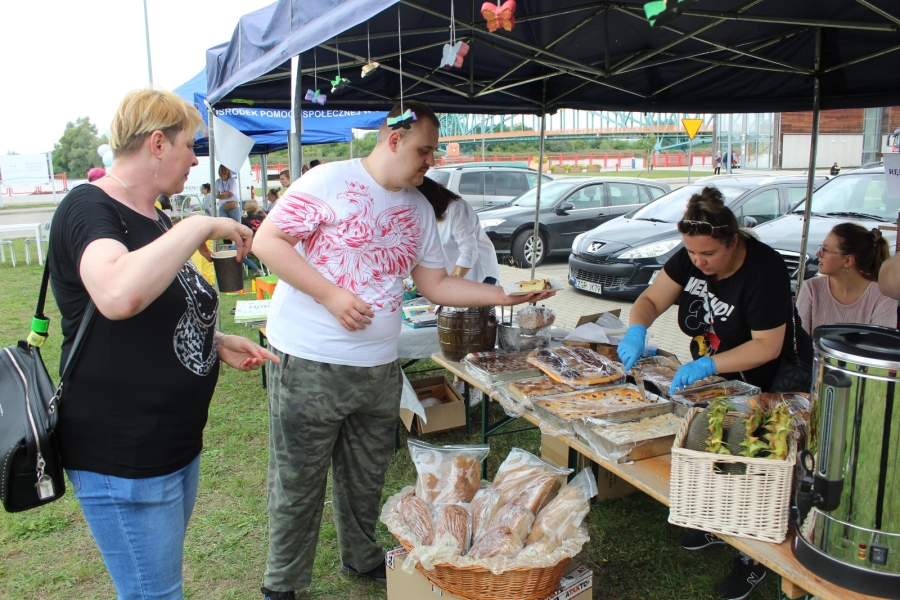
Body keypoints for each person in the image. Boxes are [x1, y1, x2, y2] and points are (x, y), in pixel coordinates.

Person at [252, 100, 553, 599]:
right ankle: (282, 584)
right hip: (310, 362)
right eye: (424, 150)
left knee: (366, 474)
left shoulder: (417, 208)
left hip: (378, 368)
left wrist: (502, 296)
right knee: (297, 480)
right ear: (394, 139)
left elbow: (435, 284)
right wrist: (330, 294)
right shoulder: (327, 180)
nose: (431, 161)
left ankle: (361, 554)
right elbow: (268, 241)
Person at [47, 87, 278, 599]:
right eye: (189, 145)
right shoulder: (88, 207)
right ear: (156, 144)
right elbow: (118, 294)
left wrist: (216, 340)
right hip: (123, 450)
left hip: (170, 443)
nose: (195, 160)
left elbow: (157, 310)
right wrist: (200, 225)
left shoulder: (155, 217)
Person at [616, 186, 801, 600]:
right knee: (715, 449)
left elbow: (767, 345)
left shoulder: (764, 269)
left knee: (754, 465)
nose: (699, 262)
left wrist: (707, 365)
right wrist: (637, 328)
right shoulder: (692, 256)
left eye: (709, 255)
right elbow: (650, 298)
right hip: (719, 378)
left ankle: (753, 558)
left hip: (770, 380)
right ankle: (714, 520)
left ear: (733, 240)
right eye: (692, 253)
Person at [798, 224, 895, 335]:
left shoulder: (882, 296)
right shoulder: (811, 288)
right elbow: (798, 340)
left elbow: (881, 342)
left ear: (848, 260)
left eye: (825, 249)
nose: (818, 254)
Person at [417, 175, 501, 284]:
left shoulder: (457, 209)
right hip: (449, 276)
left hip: (479, 276)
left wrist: (448, 284)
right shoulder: (422, 215)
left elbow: (469, 252)